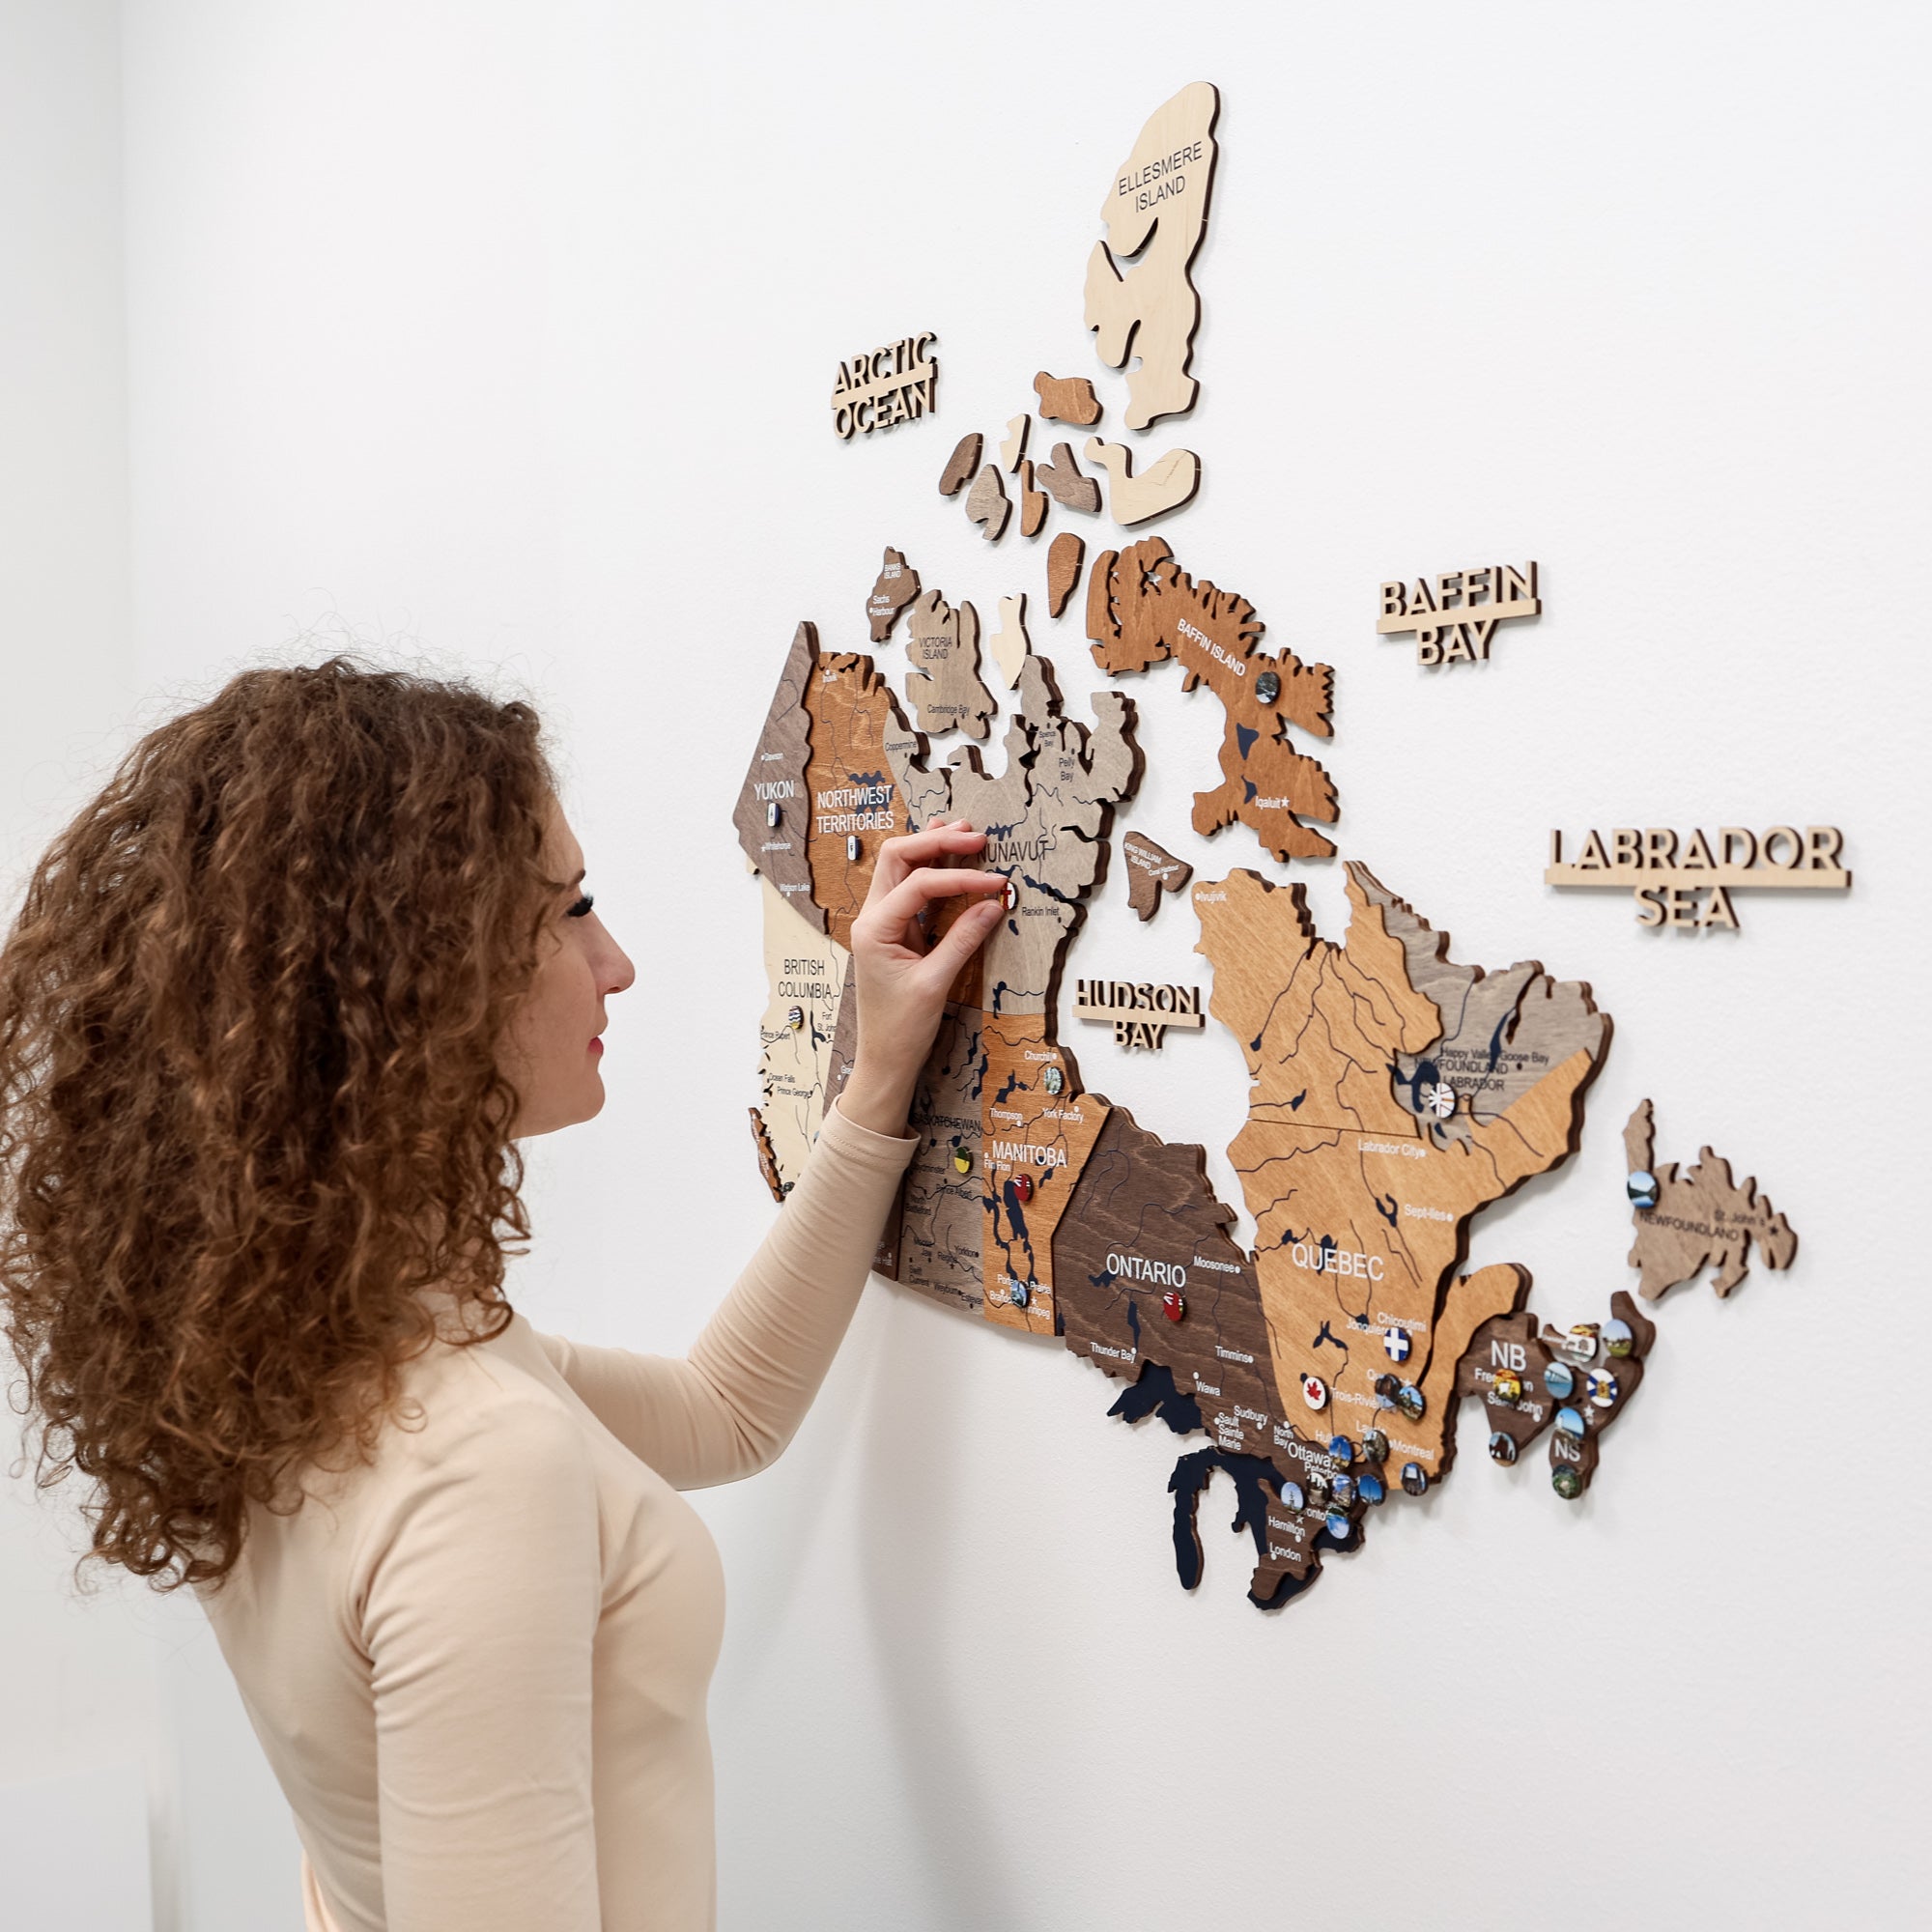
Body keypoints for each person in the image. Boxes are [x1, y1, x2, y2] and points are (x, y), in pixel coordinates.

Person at [0, 658, 1008, 1932]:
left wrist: (872, 1090)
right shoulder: (473, 1457)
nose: (618, 963)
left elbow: (724, 1411)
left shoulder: (300, 1352)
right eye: (570, 910)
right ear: (412, 980)